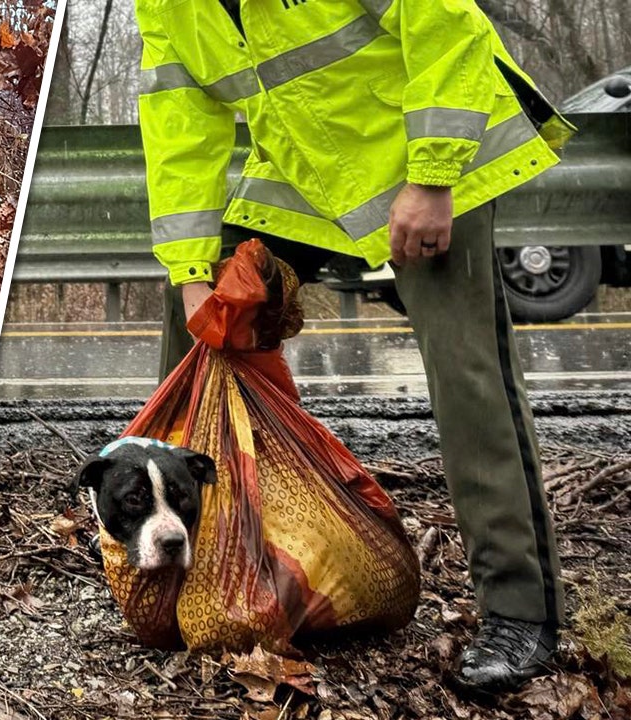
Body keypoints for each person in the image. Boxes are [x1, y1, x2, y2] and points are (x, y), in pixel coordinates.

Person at [136, 0, 575, 694]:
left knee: (468, 374)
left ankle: (522, 614)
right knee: (205, 320)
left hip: (430, 144)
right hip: (310, 170)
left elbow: (444, 24)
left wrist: (432, 178)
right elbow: (180, 119)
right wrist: (191, 269)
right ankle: (194, 570)